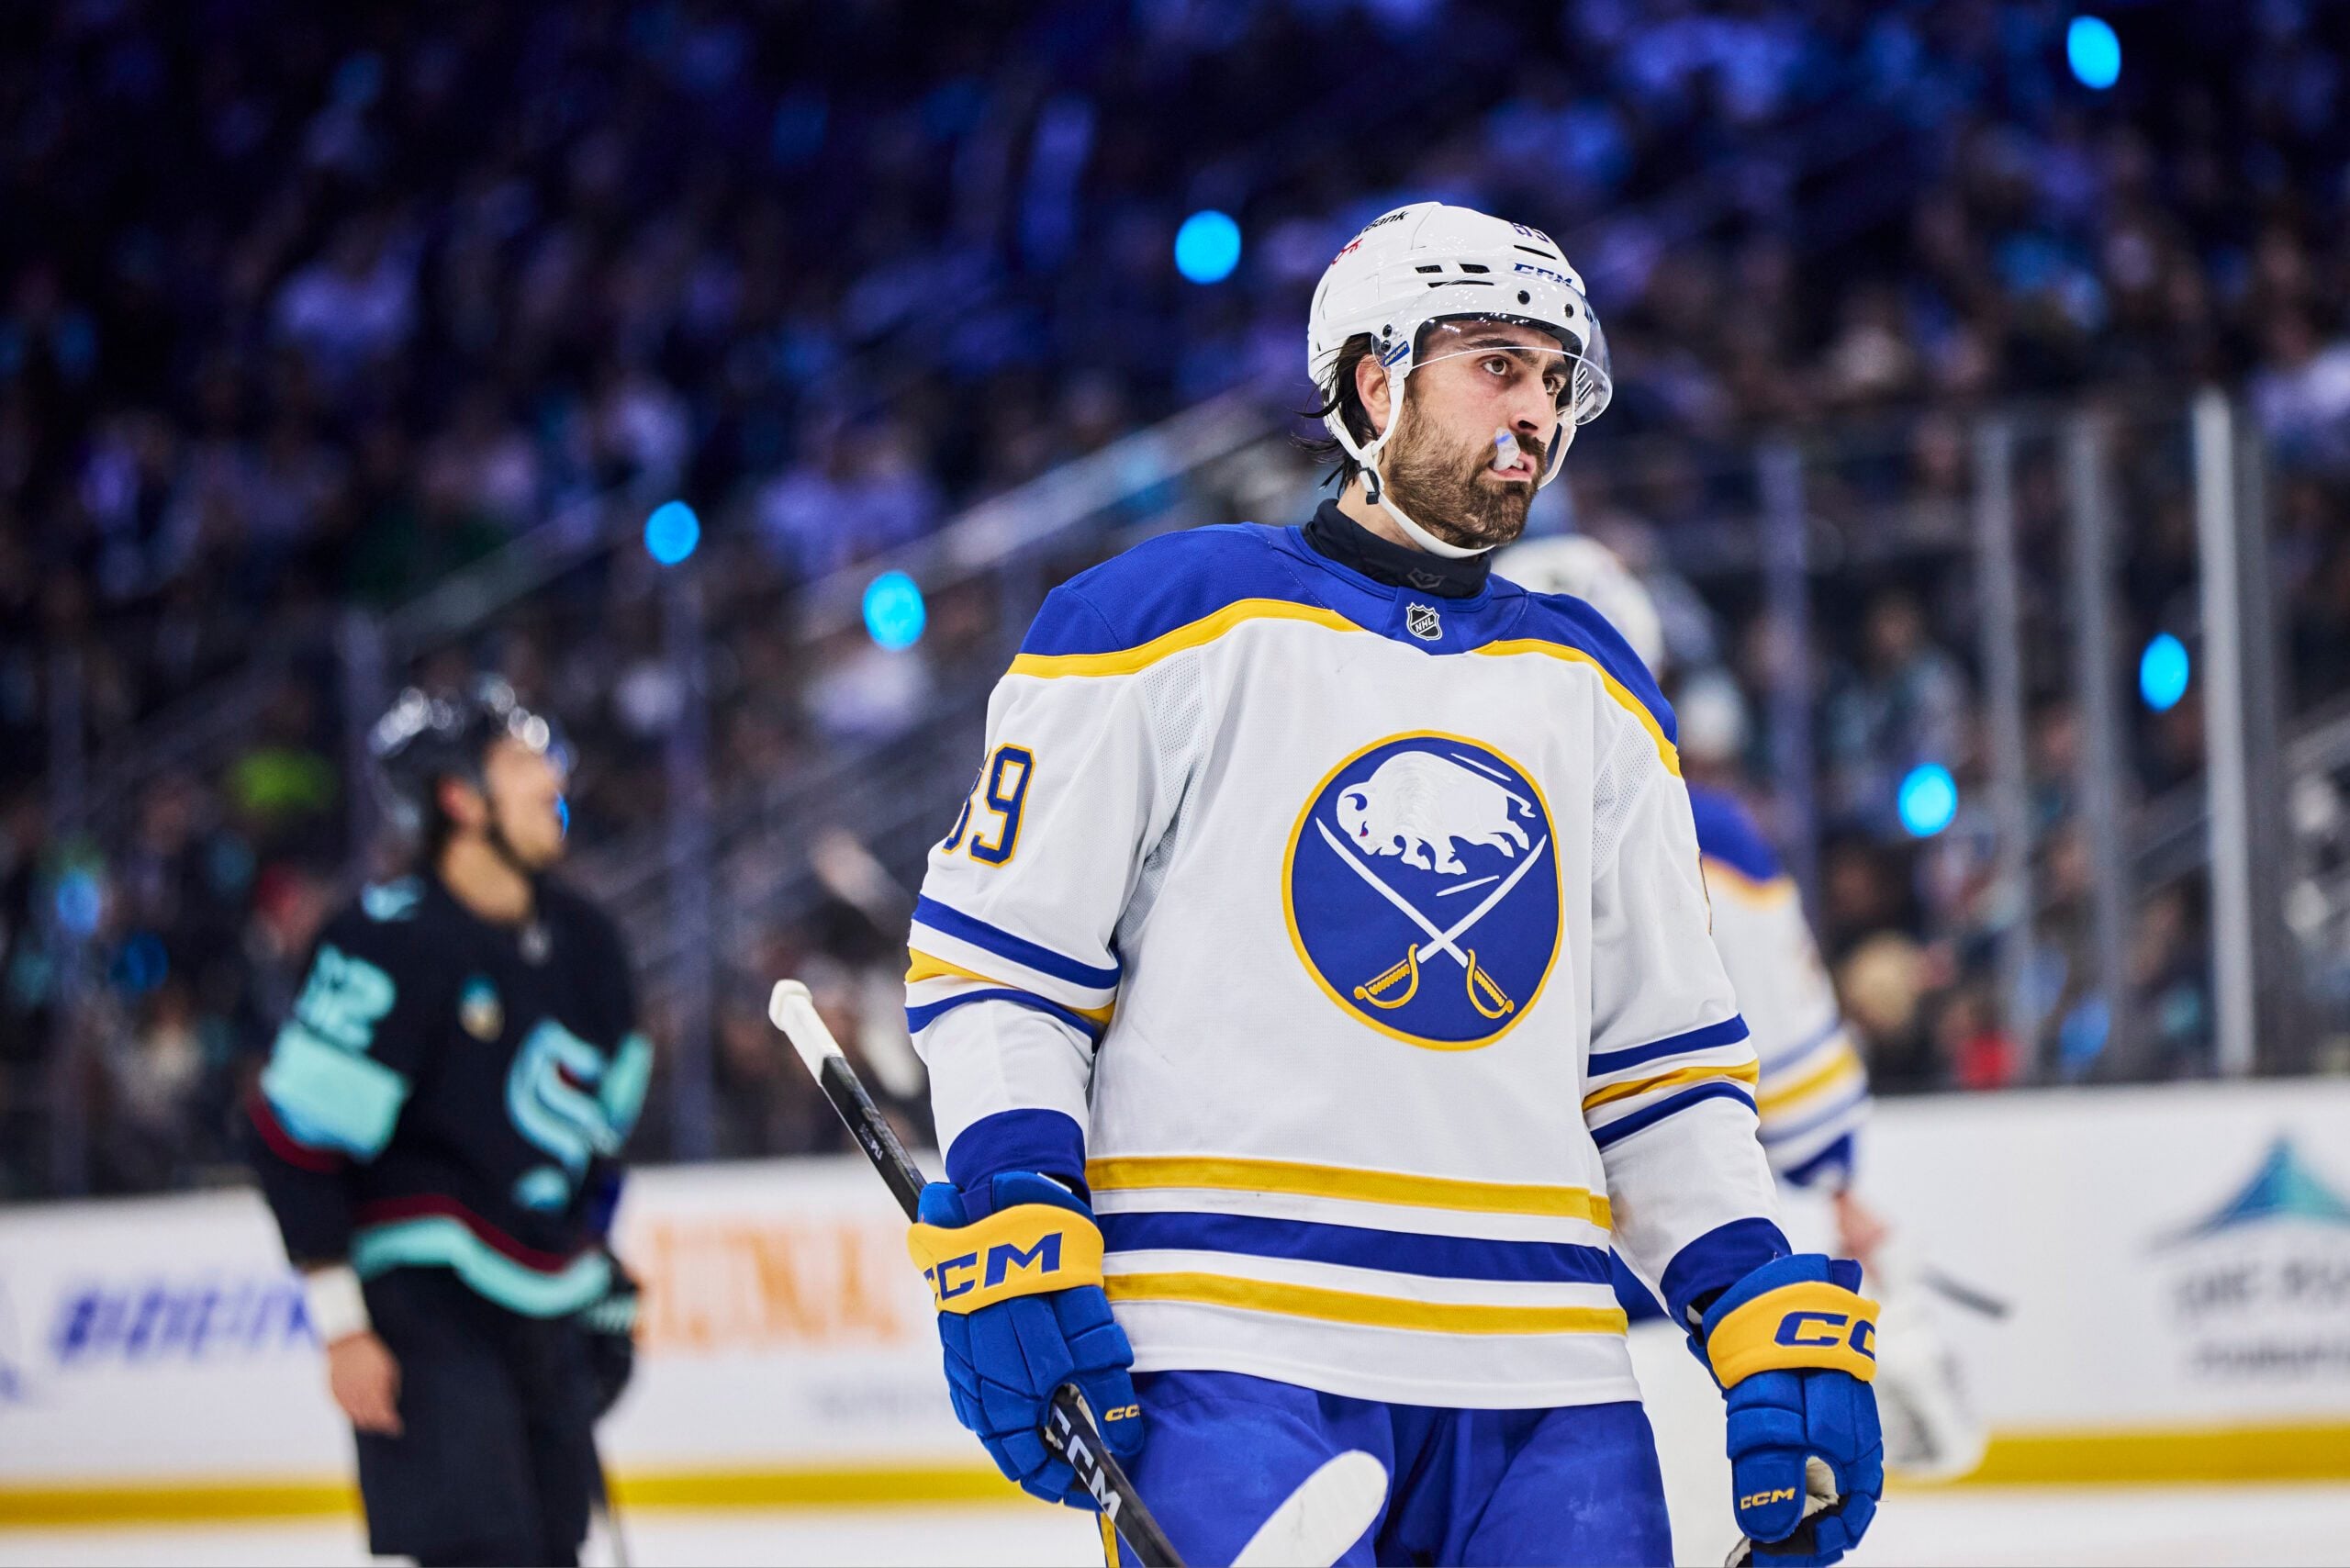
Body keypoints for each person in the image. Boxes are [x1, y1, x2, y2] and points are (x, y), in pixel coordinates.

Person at [899, 202, 1881, 1567]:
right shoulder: (1154, 623)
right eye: (1497, 365)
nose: (1535, 411)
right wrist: (1019, 1189)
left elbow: (1659, 1065)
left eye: (1555, 380)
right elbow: (1001, 964)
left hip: (1546, 1370)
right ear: (1374, 380)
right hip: (1225, 1334)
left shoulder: (1594, 686)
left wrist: (1751, 1299)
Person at [1496, 535, 1984, 1540]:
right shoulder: (1701, 826)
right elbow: (1787, 1030)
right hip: (1644, 1243)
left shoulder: (1419, 799)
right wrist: (1837, 1179)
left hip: (1460, 1244)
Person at [244, 678, 649, 1567]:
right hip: (424, 1307)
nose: (552, 779)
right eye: (520, 762)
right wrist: (343, 1325)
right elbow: (292, 1138)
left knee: (551, 1548)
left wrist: (596, 1262)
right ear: (459, 799)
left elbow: (601, 1136)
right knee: (480, 1552)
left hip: (545, 1295)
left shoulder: (587, 940)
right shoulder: (388, 941)